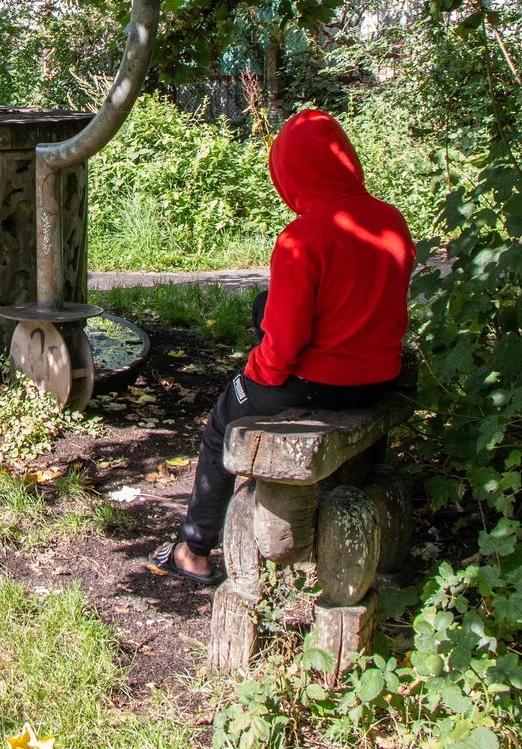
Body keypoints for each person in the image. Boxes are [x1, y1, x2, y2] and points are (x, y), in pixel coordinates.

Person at [150, 108, 416, 583]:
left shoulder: (303, 237)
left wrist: (254, 375)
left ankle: (193, 549)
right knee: (263, 304)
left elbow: (287, 343)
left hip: (316, 384)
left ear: (289, 173)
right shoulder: (391, 221)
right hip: (377, 377)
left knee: (221, 425)